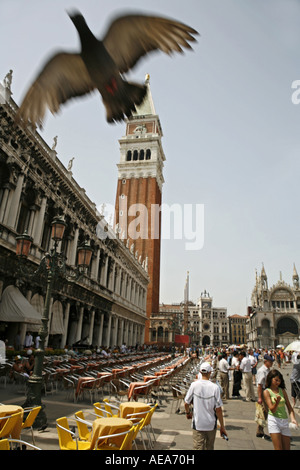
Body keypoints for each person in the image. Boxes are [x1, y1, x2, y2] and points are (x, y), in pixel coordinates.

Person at [184, 362, 227, 450]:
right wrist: (222, 426)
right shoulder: (215, 388)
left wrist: (188, 412)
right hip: (211, 424)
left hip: (198, 423)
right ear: (210, 372)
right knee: (210, 447)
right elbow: (218, 410)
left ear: (200, 372)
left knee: (198, 447)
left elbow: (186, 403)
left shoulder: (194, 385)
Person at [263, 369, 298, 450]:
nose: (278, 382)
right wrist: (277, 402)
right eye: (276, 380)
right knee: (278, 448)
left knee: (287, 448)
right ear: (270, 379)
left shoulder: (282, 390)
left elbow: (289, 407)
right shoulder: (267, 392)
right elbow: (272, 409)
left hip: (284, 421)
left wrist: (293, 419)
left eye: (279, 380)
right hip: (274, 421)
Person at [256, 354, 274, 439]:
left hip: (267, 391)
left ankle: (260, 430)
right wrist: (259, 397)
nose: (272, 363)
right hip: (263, 391)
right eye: (270, 362)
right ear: (265, 361)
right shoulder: (262, 371)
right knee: (264, 411)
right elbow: (259, 385)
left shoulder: (267, 370)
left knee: (265, 412)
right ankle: (260, 430)